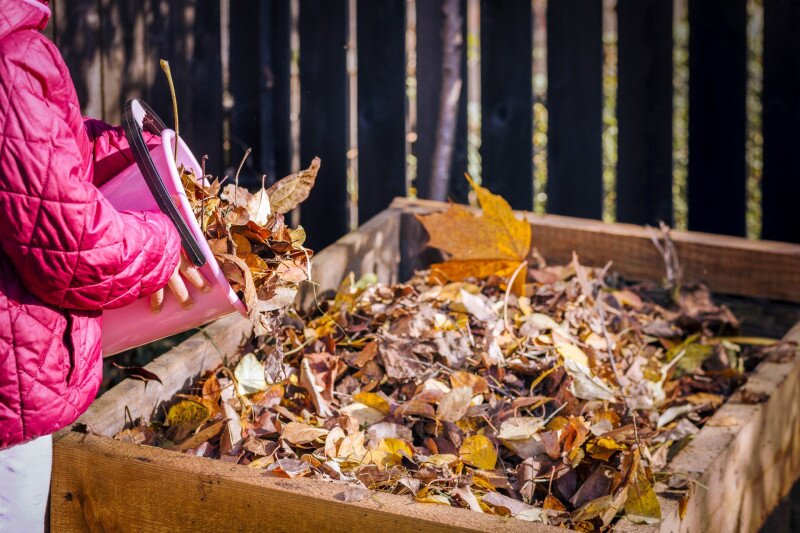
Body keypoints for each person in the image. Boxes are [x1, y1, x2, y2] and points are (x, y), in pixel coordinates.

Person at [0, 1, 208, 530]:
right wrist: (172, 243)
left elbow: (32, 156)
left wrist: (128, 152)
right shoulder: (8, 57)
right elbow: (74, 253)